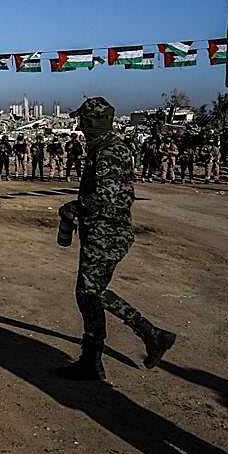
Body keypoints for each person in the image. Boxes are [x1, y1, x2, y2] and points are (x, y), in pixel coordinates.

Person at [56, 97, 176, 381]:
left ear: (91, 123)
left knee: (91, 292)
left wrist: (75, 207)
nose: (80, 126)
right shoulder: (103, 148)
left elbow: (105, 197)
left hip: (106, 232)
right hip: (100, 230)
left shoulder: (110, 151)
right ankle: (91, 360)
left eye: (83, 121)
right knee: (87, 295)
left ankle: (151, 333)